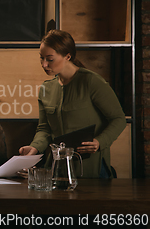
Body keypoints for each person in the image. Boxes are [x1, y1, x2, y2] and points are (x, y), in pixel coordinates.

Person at [19, 30, 126, 178]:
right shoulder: (46, 88)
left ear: (67, 56)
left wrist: (100, 142)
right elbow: (44, 128)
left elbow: (118, 118)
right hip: (57, 169)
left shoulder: (91, 82)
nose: (44, 64)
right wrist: (34, 147)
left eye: (50, 59)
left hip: (90, 167)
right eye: (41, 58)